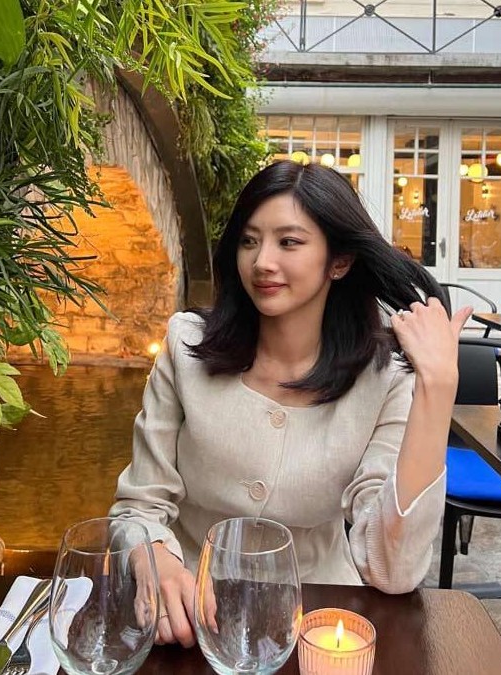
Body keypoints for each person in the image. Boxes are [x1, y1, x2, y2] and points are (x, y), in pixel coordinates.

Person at [110, 160, 471, 647]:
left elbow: (392, 569)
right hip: (190, 618)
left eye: (289, 242)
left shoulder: (383, 379)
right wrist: (156, 557)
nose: (262, 262)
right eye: (249, 240)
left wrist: (438, 386)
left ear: (339, 261)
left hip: (320, 624)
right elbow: (137, 507)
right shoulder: (186, 346)